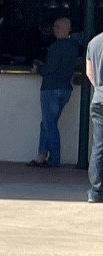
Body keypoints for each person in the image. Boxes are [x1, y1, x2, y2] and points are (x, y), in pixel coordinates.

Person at [27, 15, 81, 166]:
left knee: (49, 125)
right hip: (65, 89)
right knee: (47, 123)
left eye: (55, 27)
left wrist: (38, 68)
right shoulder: (74, 46)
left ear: (58, 29)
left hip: (51, 88)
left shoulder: (56, 47)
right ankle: (41, 155)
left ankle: (54, 159)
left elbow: (50, 68)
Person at [87, 24, 103, 203]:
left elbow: (89, 73)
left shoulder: (93, 43)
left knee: (98, 146)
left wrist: (99, 88)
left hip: (98, 99)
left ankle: (95, 190)